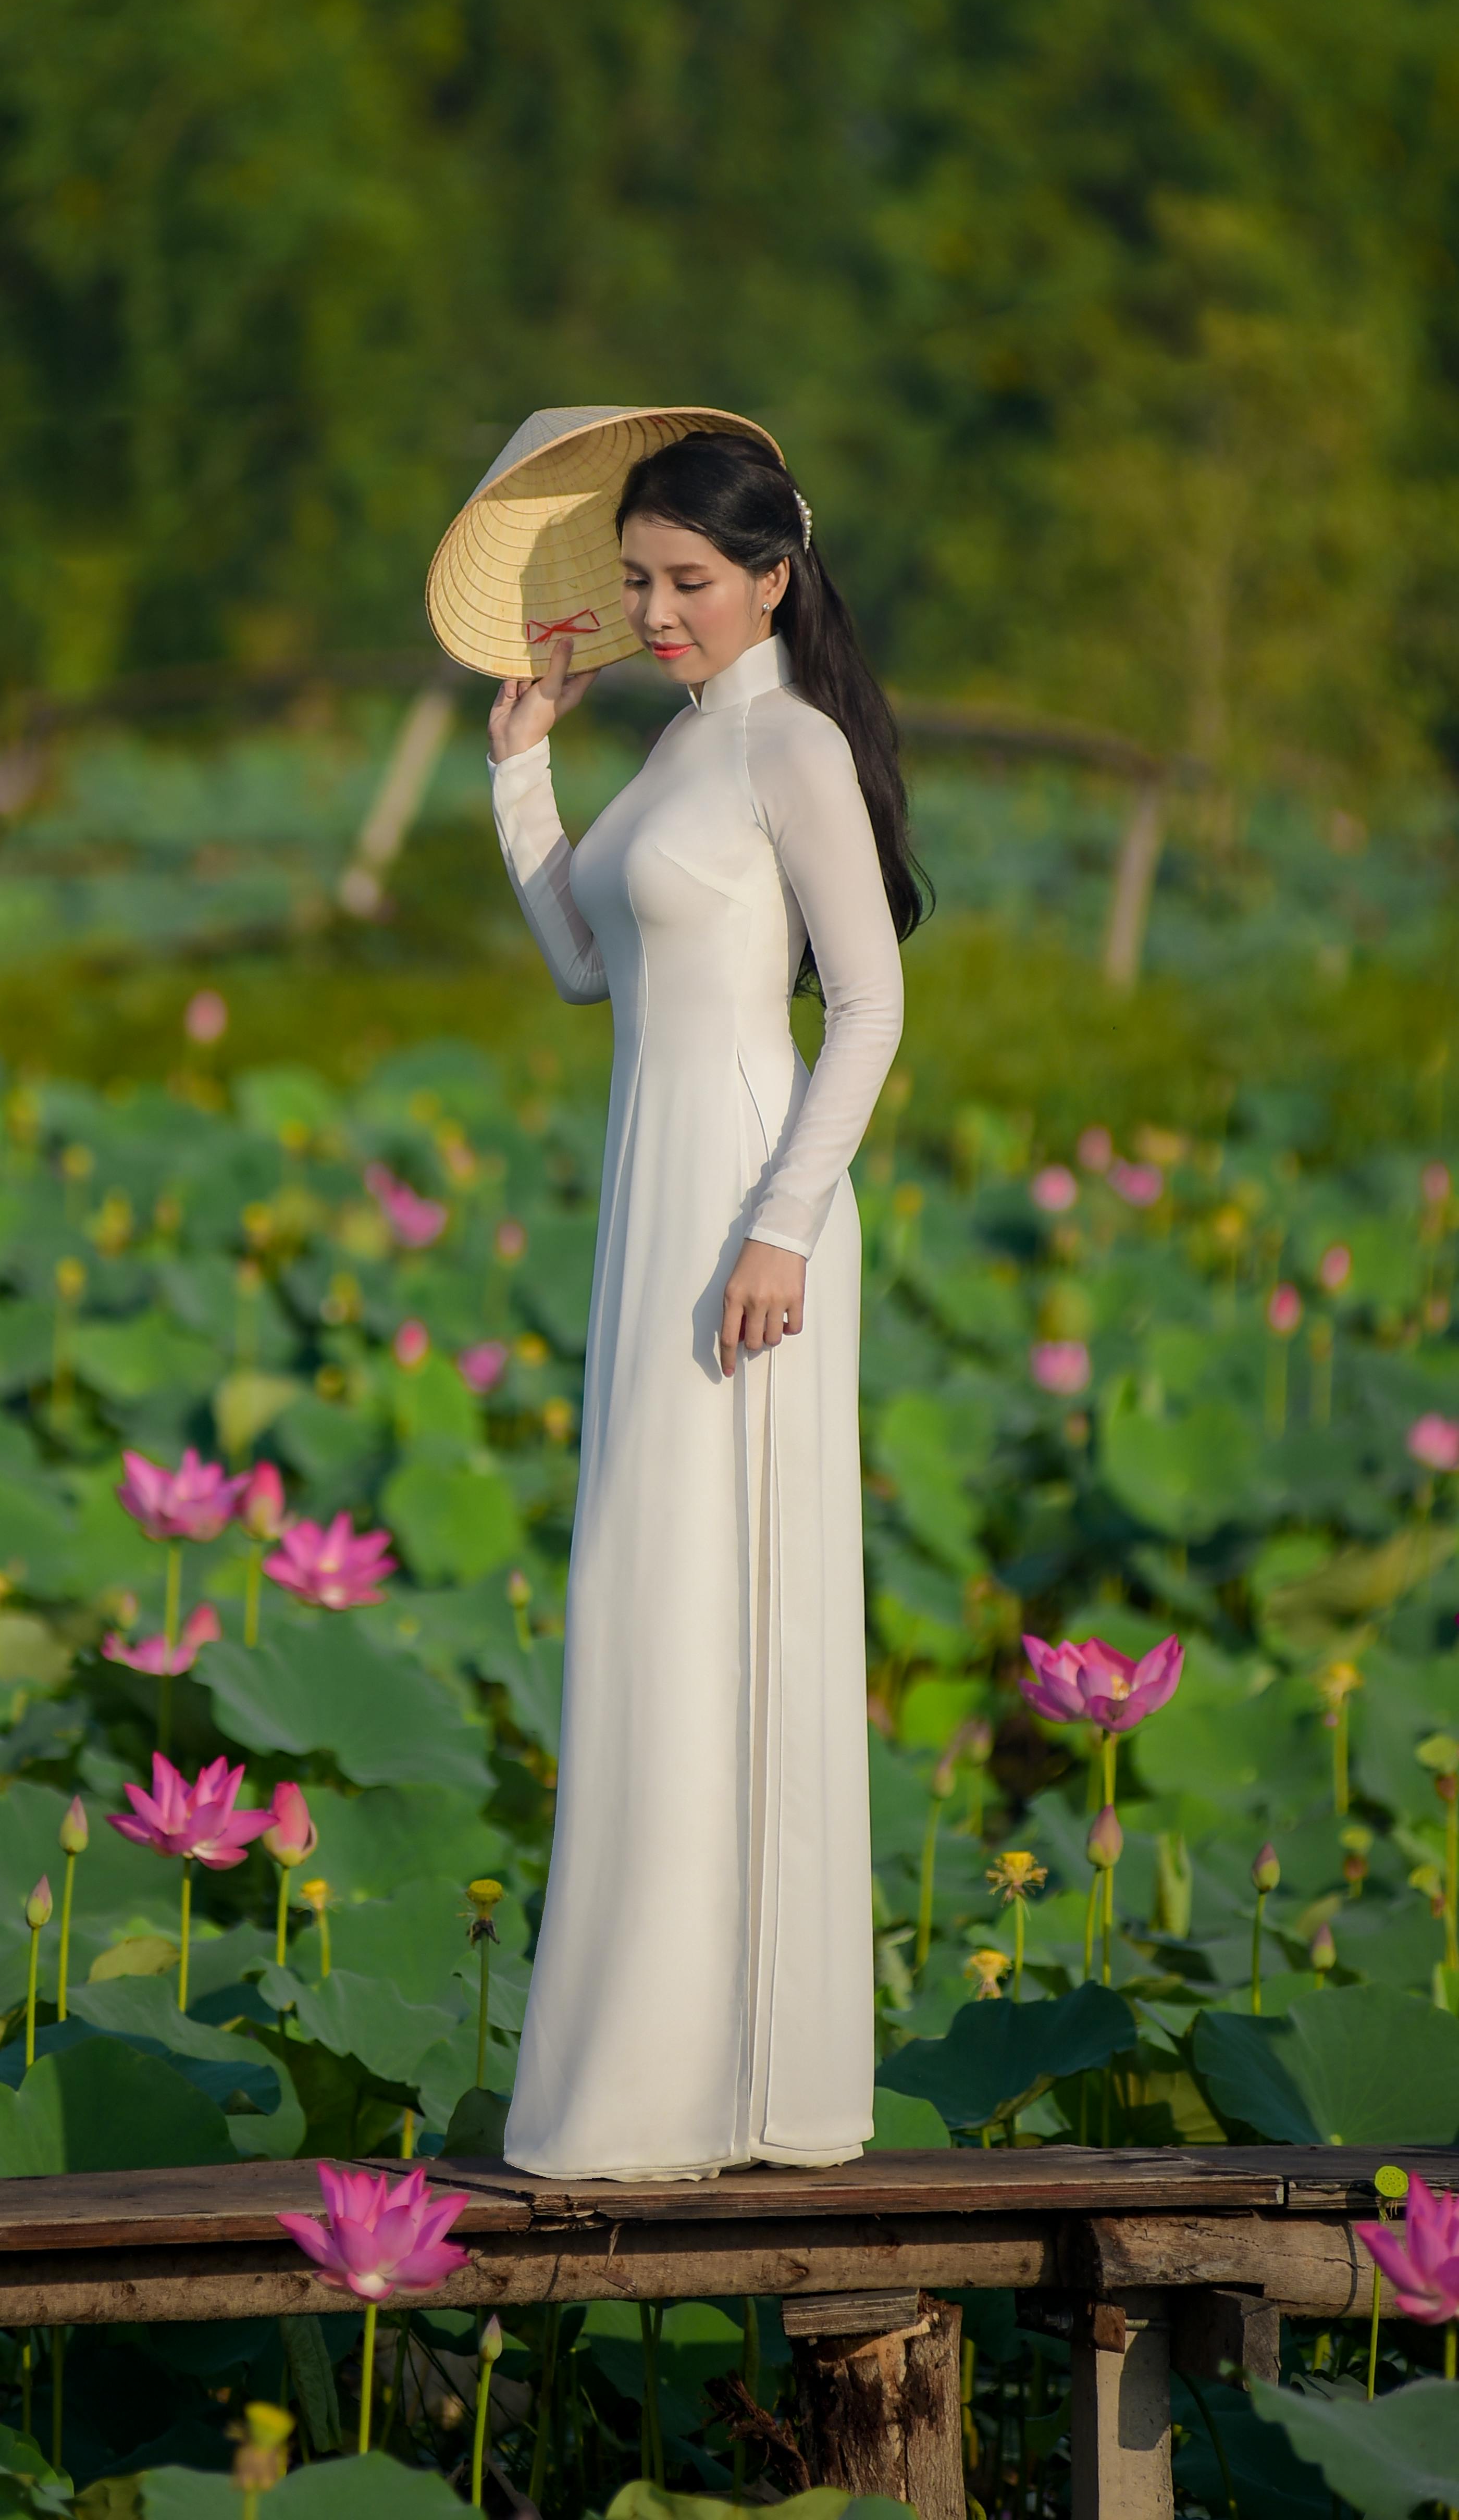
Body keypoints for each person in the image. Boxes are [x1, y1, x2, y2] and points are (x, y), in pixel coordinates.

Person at [448, 414, 922, 2178]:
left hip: (749, 1217)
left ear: (775, 577)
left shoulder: (787, 743)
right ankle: (659, 2080)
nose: (657, 611)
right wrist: (523, 774)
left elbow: (865, 1009)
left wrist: (785, 1226)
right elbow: (589, 965)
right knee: (647, 1599)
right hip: (662, 1210)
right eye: (638, 581)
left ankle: (748, 2090)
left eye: (689, 582)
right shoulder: (684, 748)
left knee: (719, 1603)